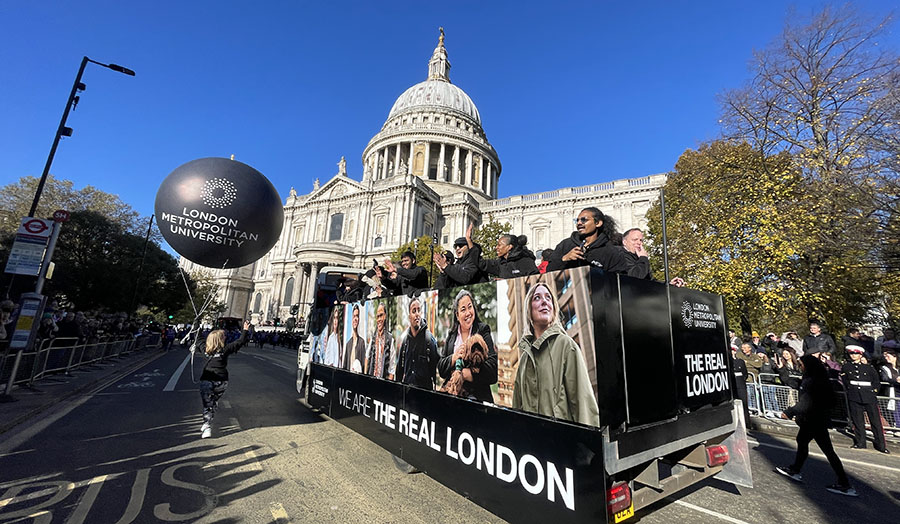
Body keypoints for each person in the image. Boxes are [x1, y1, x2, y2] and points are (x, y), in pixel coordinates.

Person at [512, 282, 600, 426]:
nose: (544, 302)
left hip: (561, 442)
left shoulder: (566, 345)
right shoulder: (524, 359)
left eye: (548, 298)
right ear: (529, 310)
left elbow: (583, 404)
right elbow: (517, 409)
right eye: (537, 298)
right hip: (529, 443)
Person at [776, 353, 857, 497]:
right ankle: (795, 469)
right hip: (814, 419)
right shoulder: (814, 378)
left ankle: (844, 483)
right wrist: (782, 370)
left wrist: (790, 412)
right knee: (803, 442)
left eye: (801, 364)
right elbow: (793, 384)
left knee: (827, 451)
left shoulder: (814, 380)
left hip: (814, 419)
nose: (800, 366)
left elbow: (805, 402)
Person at [437, 289, 498, 402]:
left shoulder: (483, 330)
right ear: (457, 314)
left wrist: (467, 374)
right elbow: (441, 368)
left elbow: (493, 371)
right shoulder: (451, 336)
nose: (468, 313)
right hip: (453, 396)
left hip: (477, 398)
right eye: (463, 309)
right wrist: (454, 357)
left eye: (470, 307)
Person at [198, 320, 251, 439]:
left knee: (208, 404)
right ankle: (208, 419)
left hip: (207, 379)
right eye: (223, 336)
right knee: (212, 403)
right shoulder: (225, 350)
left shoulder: (205, 349)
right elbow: (240, 341)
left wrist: (197, 325)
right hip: (222, 381)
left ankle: (207, 425)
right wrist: (245, 330)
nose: (225, 337)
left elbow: (198, 338)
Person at [546, 207, 628, 274]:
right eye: (577, 220)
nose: (579, 223)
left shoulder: (611, 251)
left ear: (598, 223)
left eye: (584, 220)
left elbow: (619, 279)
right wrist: (564, 259)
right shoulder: (565, 245)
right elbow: (549, 272)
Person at [841, 344, 888, 453]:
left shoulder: (869, 368)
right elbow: (845, 380)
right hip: (854, 395)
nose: (853, 355)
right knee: (857, 421)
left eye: (856, 353)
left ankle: (881, 445)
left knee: (875, 422)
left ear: (860, 354)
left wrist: (873, 392)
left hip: (868, 396)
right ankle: (860, 442)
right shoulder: (847, 367)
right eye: (851, 353)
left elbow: (876, 382)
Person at [395, 297, 439, 389]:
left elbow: (435, 373)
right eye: (414, 311)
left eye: (419, 310)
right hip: (407, 396)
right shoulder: (405, 342)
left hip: (424, 398)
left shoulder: (429, 340)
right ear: (409, 316)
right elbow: (399, 371)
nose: (417, 314)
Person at [618, 228, 684, 286]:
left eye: (641, 240)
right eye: (635, 240)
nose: (639, 243)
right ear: (624, 242)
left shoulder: (640, 258)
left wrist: (668, 284)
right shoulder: (619, 255)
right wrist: (643, 258)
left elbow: (650, 281)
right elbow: (635, 278)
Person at [367, 303, 394, 378]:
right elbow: (367, 358)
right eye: (377, 317)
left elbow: (392, 369)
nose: (379, 319)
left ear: (385, 316)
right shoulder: (373, 338)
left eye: (381, 315)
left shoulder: (390, 339)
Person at [880, 350, 900, 434]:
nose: (886, 358)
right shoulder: (884, 368)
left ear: (895, 357)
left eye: (888, 356)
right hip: (892, 391)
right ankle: (897, 427)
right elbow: (884, 378)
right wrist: (896, 380)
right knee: (895, 410)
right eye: (885, 356)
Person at [344, 304, 366, 372]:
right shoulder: (348, 344)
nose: (355, 319)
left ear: (359, 319)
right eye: (354, 316)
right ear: (352, 319)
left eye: (357, 316)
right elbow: (344, 367)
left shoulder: (362, 342)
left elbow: (363, 365)